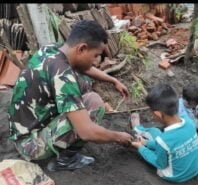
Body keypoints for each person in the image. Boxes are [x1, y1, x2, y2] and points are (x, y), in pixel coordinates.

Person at [8, 20, 132, 171]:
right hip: (30, 145)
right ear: (81, 48)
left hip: (23, 129)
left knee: (84, 83)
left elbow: (84, 68)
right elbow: (87, 132)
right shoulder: (63, 77)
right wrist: (118, 136)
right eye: (96, 55)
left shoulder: (52, 49)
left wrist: (113, 80)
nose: (96, 61)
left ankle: (61, 133)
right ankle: (65, 161)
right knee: (94, 104)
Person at [130, 83, 198, 183]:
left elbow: (160, 164)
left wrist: (141, 148)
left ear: (158, 114)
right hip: (196, 167)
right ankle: (142, 136)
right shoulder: (190, 122)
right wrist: (145, 143)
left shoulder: (163, 140)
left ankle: (137, 129)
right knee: (163, 142)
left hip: (176, 176)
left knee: (155, 132)